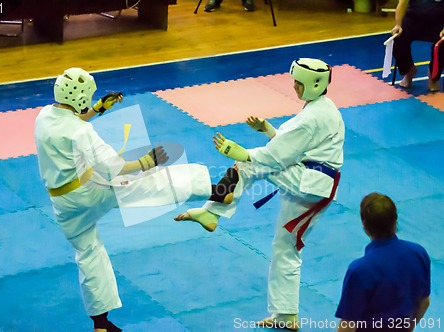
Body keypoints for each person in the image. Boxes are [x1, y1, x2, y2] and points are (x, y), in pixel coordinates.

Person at [34, 67, 216, 332]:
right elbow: (111, 166)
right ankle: (214, 190)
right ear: (80, 96)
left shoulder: (44, 116)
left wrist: (97, 109)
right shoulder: (80, 132)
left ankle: (100, 323)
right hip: (88, 193)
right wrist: (146, 161)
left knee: (88, 253)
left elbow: (71, 119)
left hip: (62, 204)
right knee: (144, 183)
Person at [175, 58, 345, 330]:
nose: (295, 87)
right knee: (285, 248)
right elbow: (290, 146)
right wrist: (268, 130)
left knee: (247, 163)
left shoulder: (313, 117)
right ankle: (286, 316)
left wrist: (240, 152)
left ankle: (212, 212)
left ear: (315, 84)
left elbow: (275, 158)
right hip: (308, 178)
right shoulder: (320, 108)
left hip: (312, 184)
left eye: (299, 83)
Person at [335, 193, 431, 332]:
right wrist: (408, 328)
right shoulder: (418, 253)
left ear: (364, 224)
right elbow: (424, 302)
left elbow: (348, 325)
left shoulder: (360, 270)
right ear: (395, 220)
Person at [391, 0, 444, 91]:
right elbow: (402, 3)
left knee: (442, 45)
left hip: (439, 23)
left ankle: (433, 77)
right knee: (398, 38)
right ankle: (408, 70)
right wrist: (398, 24)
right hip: (413, 20)